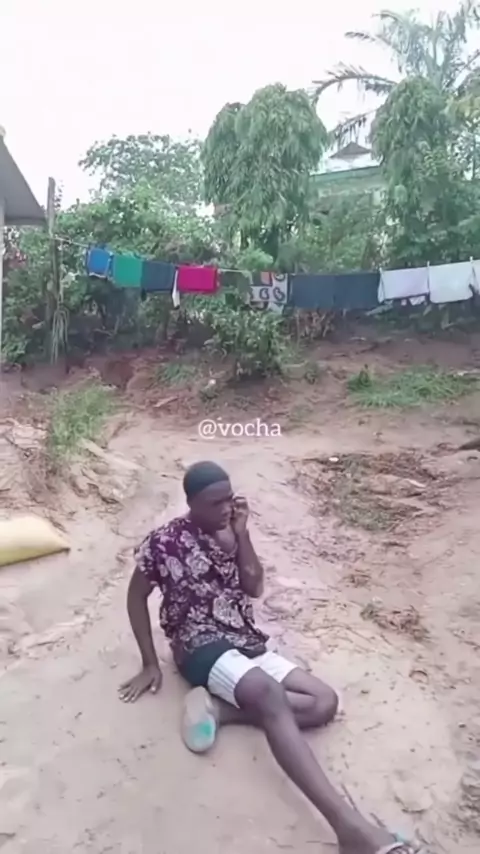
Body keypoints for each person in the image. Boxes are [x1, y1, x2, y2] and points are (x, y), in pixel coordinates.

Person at [119, 461, 418, 854]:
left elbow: (254, 587)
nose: (225, 509)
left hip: (242, 638)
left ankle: (222, 711)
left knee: (324, 702)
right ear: (191, 503)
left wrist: (243, 536)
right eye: (214, 503)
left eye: (229, 500)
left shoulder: (232, 531)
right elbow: (135, 597)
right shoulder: (164, 542)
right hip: (197, 644)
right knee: (269, 694)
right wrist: (149, 662)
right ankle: (350, 829)